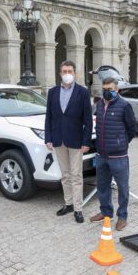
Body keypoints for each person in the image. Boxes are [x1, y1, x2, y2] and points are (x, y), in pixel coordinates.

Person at [45, 60, 92, 223]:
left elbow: (88, 119)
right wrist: (48, 138)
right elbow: (49, 117)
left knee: (76, 175)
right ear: (60, 73)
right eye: (64, 71)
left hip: (76, 140)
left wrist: (86, 141)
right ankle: (68, 203)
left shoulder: (83, 92)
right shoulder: (52, 92)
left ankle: (78, 209)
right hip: (58, 140)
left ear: (75, 73)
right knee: (65, 175)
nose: (67, 74)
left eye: (70, 71)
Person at [90, 77, 136, 231]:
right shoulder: (100, 104)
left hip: (119, 156)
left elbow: (132, 130)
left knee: (123, 187)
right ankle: (106, 212)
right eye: (104, 89)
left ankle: (122, 216)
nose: (107, 92)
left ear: (117, 90)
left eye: (110, 89)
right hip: (101, 155)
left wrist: (121, 143)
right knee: (102, 186)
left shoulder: (125, 105)